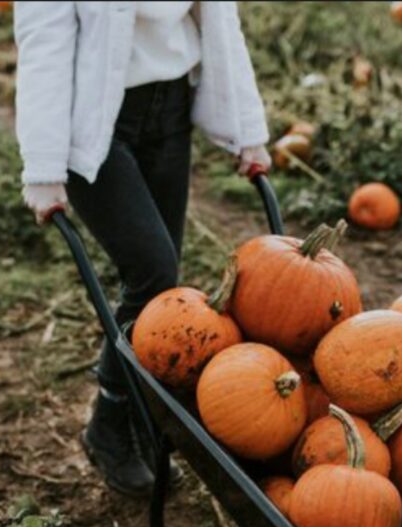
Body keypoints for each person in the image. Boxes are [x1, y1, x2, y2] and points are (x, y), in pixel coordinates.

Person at [15, 2, 271, 496]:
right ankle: (110, 420)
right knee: (154, 268)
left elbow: (220, 22)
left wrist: (248, 130)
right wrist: (43, 166)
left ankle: (139, 415)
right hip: (92, 126)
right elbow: (43, 45)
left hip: (170, 111)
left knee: (161, 292)